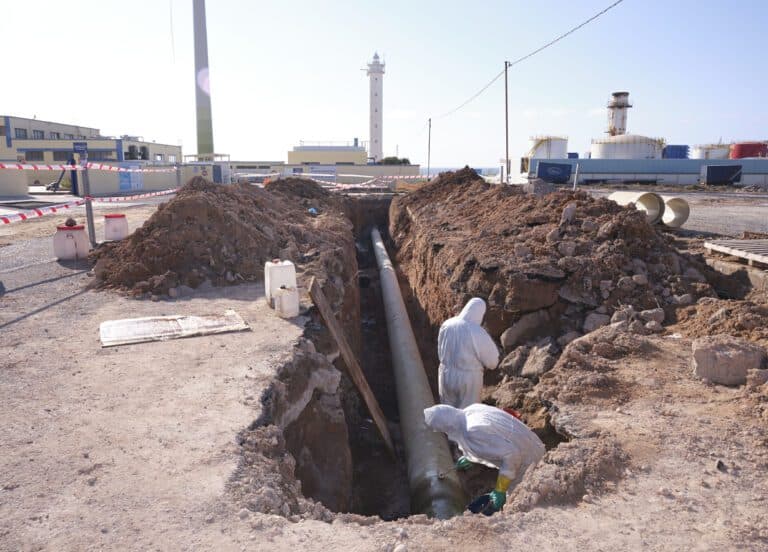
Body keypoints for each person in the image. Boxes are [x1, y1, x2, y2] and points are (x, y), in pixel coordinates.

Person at [424, 403, 545, 514]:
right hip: (531, 443)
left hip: (529, 461)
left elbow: (512, 455)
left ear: (447, 426)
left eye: (443, 429)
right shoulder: (471, 410)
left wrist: (500, 490)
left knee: (518, 500)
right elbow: (492, 440)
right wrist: (471, 457)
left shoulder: (473, 431)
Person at [437, 297, 499, 408]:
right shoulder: (476, 331)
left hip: (445, 374)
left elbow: (440, 348)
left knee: (448, 413)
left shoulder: (447, 324)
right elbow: (492, 362)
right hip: (468, 379)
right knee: (468, 415)